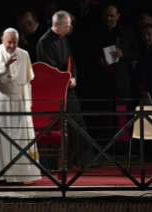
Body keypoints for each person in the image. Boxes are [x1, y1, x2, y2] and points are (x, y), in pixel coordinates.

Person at [36, 11, 98, 171]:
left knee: (78, 123)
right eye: (65, 27)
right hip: (55, 91)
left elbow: (72, 62)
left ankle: (84, 159)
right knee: (64, 125)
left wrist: (74, 79)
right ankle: (71, 161)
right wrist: (66, 80)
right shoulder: (45, 42)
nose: (68, 30)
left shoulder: (63, 39)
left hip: (67, 87)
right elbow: (49, 69)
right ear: (55, 25)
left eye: (69, 27)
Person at [0, 28, 41, 183]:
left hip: (18, 102)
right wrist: (4, 66)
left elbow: (27, 82)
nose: (12, 46)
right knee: (0, 136)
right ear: (2, 40)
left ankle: (18, 175)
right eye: (9, 42)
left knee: (19, 137)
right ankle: (0, 175)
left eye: (15, 42)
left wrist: (28, 104)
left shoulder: (24, 54)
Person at [86, 4, 139, 145]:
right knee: (104, 114)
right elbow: (87, 54)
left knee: (122, 113)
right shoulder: (96, 32)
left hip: (121, 80)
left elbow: (137, 53)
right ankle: (104, 145)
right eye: (106, 15)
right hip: (102, 81)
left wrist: (123, 54)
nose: (108, 18)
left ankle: (122, 146)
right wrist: (97, 60)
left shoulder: (128, 31)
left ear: (118, 16)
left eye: (111, 15)